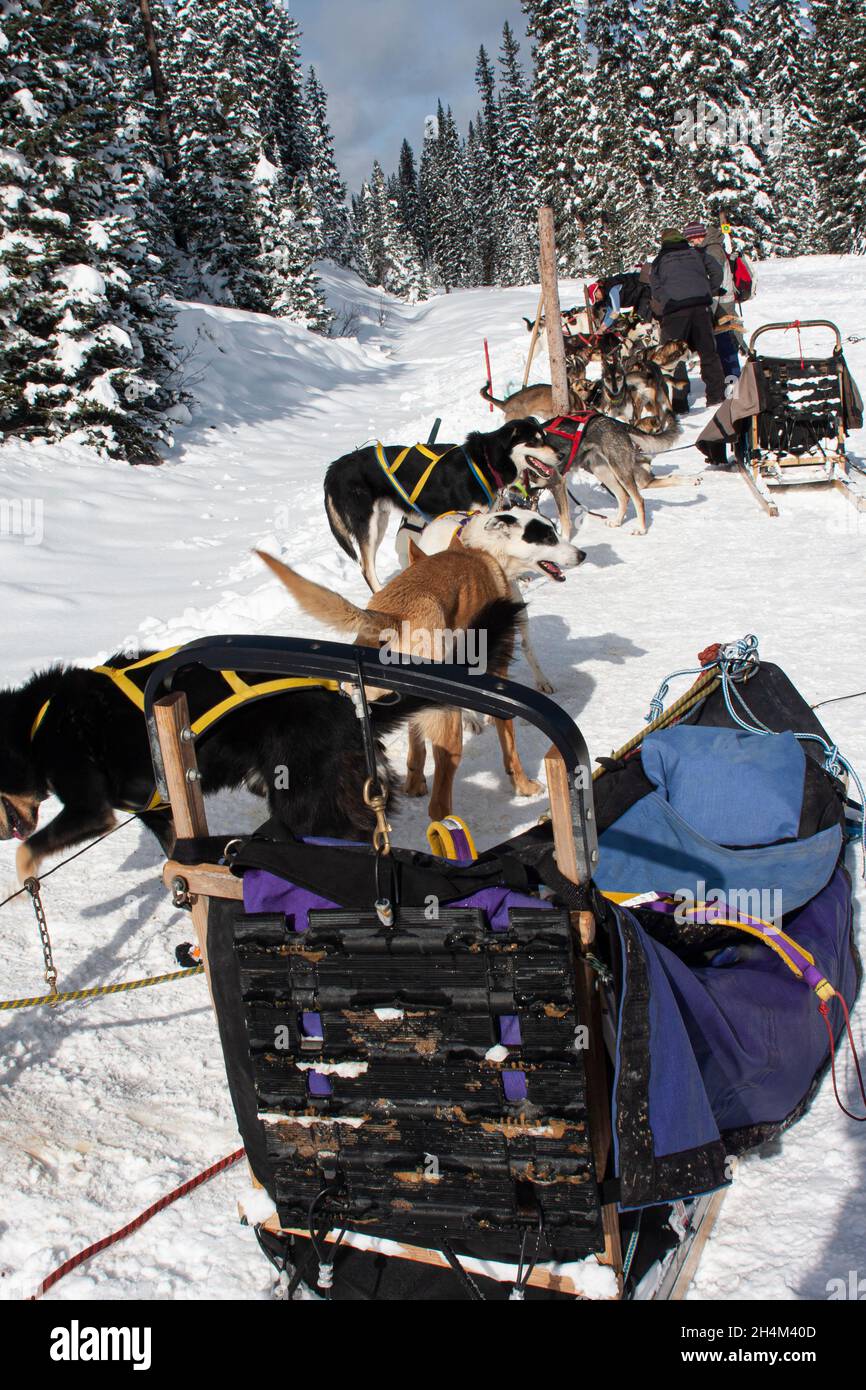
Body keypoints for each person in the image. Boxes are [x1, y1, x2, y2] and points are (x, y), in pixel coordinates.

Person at [649, 228, 726, 407]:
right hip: (701, 306)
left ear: (663, 242)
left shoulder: (659, 261)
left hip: (674, 311)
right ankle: (716, 396)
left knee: (674, 355)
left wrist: (667, 299)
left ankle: (680, 401)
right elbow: (717, 271)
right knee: (708, 353)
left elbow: (655, 288)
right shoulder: (697, 253)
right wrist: (709, 289)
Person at [683, 220, 741, 385]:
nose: (693, 243)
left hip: (721, 303)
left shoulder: (712, 249)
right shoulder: (709, 248)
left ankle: (733, 381)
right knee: (723, 341)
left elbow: (715, 277)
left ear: (700, 236)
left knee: (724, 341)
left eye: (693, 240)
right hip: (719, 300)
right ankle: (730, 379)